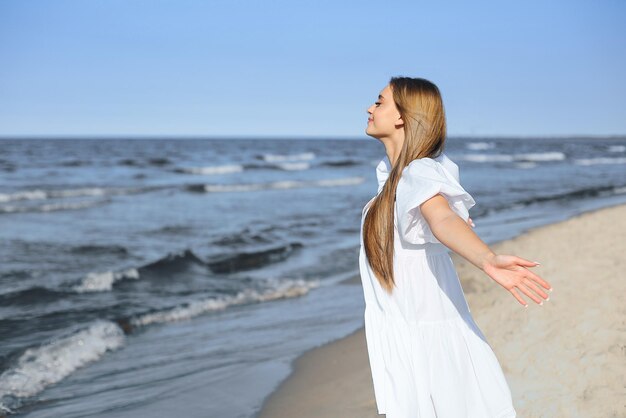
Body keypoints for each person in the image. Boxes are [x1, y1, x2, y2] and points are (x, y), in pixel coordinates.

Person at [360, 76, 553, 417]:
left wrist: (487, 259)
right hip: (408, 333)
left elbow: (443, 219)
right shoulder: (393, 180)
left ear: (403, 115)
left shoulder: (417, 172)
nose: (369, 108)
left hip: (429, 338)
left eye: (379, 101)